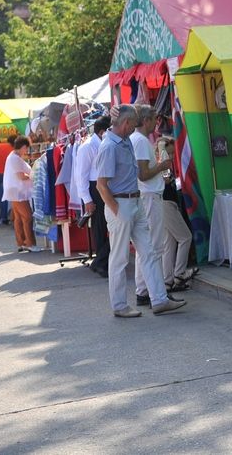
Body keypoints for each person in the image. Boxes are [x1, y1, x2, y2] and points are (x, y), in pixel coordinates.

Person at [96, 104, 185, 318]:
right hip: (123, 205)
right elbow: (101, 185)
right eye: (132, 124)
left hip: (134, 203)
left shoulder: (124, 141)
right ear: (126, 124)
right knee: (120, 258)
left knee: (150, 252)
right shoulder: (110, 146)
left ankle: (159, 300)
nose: (135, 128)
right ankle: (119, 305)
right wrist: (118, 210)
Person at [130, 105, 173, 306]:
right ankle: (154, 291)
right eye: (154, 119)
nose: (157, 122)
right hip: (148, 196)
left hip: (147, 194)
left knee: (148, 246)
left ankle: (145, 290)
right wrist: (162, 167)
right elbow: (143, 174)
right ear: (146, 120)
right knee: (154, 246)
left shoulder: (138, 140)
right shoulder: (140, 140)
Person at [76, 116, 111, 278]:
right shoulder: (87, 147)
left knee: (110, 226)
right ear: (103, 131)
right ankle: (101, 263)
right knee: (100, 227)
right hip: (95, 189)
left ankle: (101, 261)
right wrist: (87, 200)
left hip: (105, 186)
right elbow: (80, 176)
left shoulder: (104, 144)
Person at [157, 136, 194, 292]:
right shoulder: (160, 164)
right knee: (185, 237)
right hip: (165, 204)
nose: (171, 157)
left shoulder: (160, 165)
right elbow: (165, 180)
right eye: (169, 153)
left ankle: (168, 280)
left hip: (165, 204)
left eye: (172, 154)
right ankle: (179, 273)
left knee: (169, 244)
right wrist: (162, 152)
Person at [4, 136, 40, 253]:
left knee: (19, 219)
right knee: (27, 217)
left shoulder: (13, 157)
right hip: (18, 192)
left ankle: (22, 243)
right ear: (23, 147)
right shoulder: (14, 158)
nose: (26, 151)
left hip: (16, 191)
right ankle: (29, 243)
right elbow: (20, 176)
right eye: (26, 148)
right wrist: (32, 176)